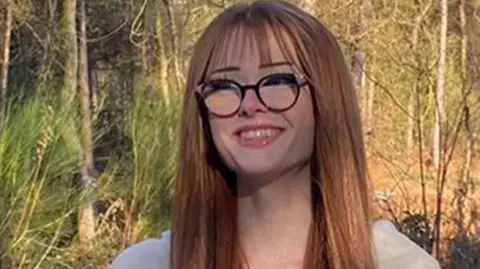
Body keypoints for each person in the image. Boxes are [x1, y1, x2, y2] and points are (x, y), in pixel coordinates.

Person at [108, 1, 442, 269]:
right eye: (223, 85)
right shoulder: (146, 263)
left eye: (278, 80)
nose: (250, 105)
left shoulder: (397, 263)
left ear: (327, 100)